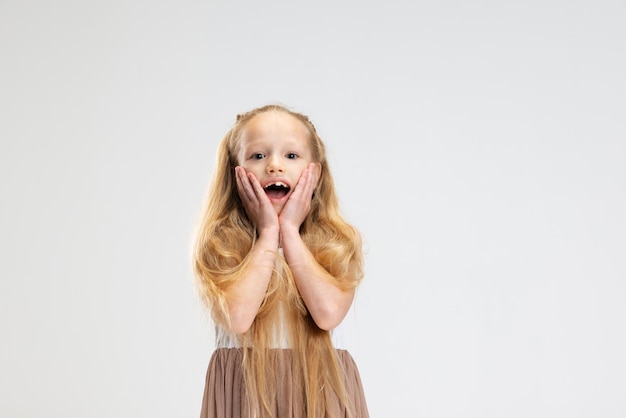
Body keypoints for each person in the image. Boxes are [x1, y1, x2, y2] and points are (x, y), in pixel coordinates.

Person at [193, 104, 369, 418]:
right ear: (235, 173)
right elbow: (237, 318)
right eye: (258, 156)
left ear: (315, 172)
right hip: (245, 395)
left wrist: (289, 231)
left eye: (291, 156)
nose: (274, 166)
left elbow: (327, 313)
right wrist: (267, 234)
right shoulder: (222, 244)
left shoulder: (336, 242)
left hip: (320, 392)